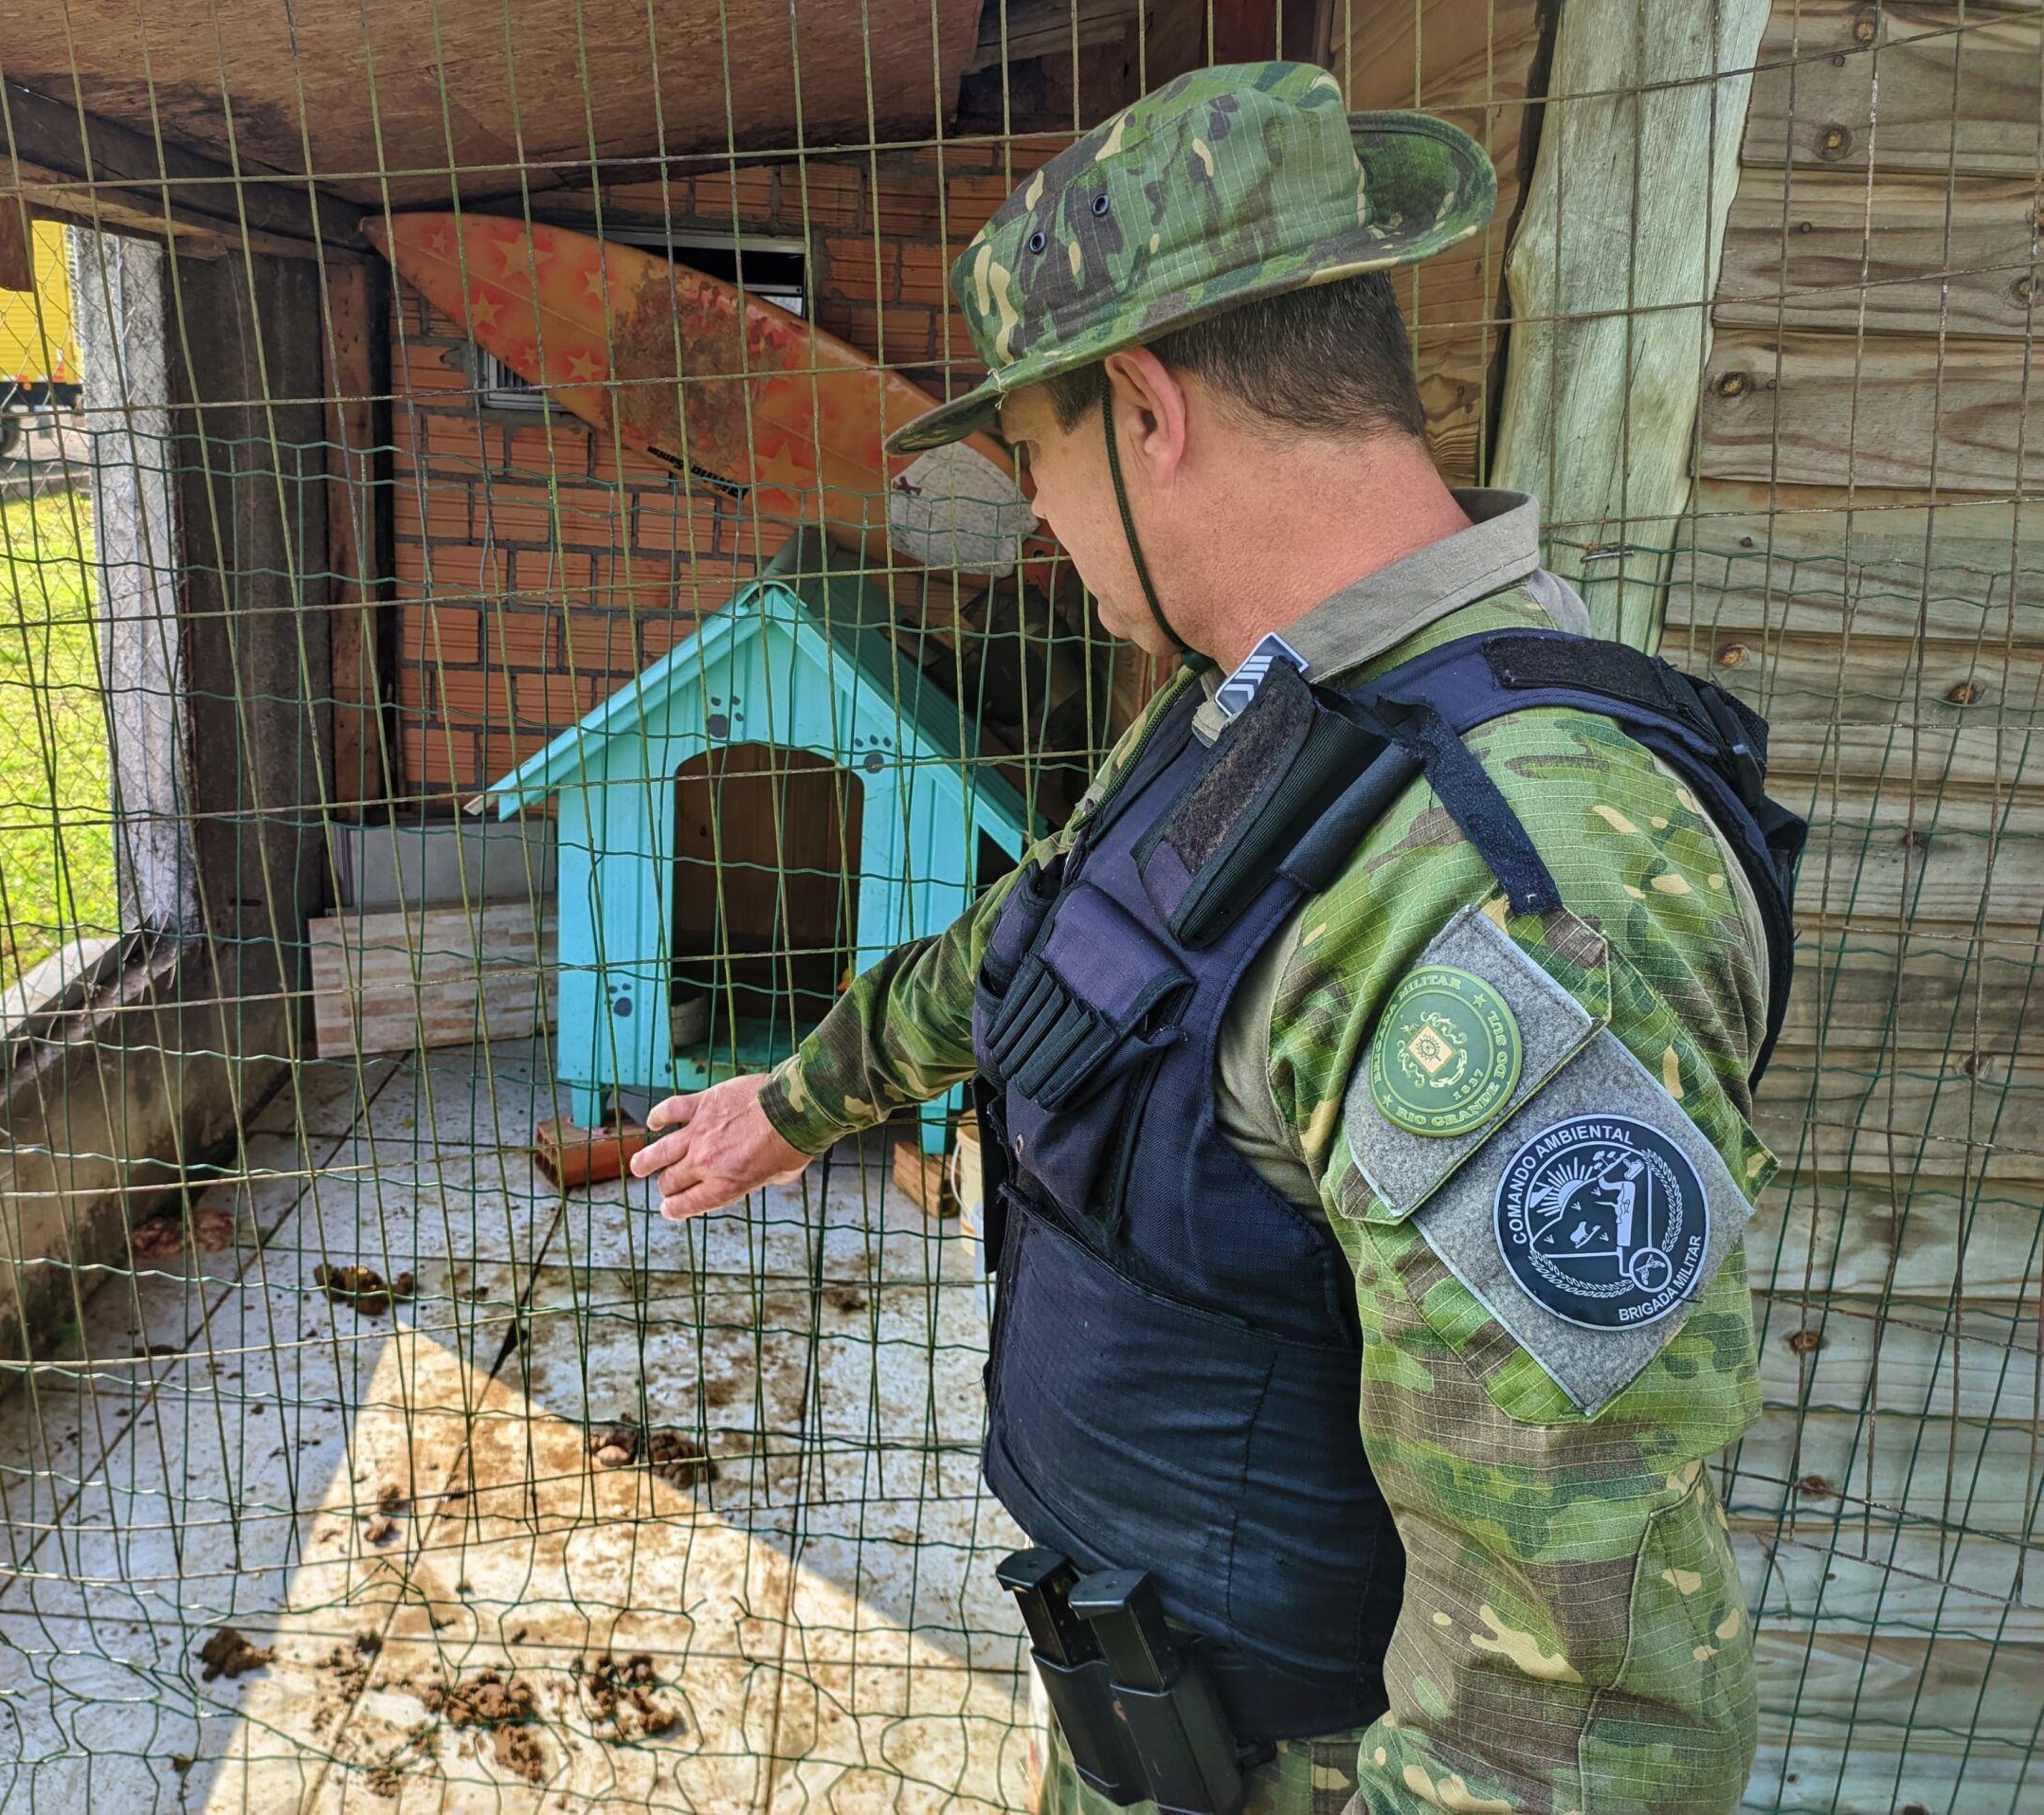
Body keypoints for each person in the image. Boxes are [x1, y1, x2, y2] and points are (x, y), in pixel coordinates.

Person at [629, 62, 1800, 1815]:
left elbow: (1571, 1725)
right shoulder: (1261, 712)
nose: (1040, 516)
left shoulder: (1513, 898)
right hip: (1148, 1714)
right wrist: (804, 1098)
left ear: (1143, 409)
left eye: (1035, 457)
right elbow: (1043, 954)